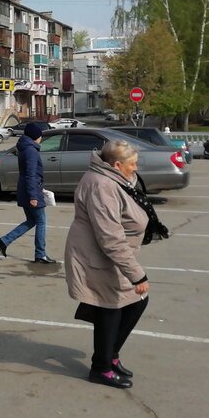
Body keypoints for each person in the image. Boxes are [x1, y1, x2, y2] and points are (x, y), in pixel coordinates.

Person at [64, 140, 150, 389]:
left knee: (129, 304)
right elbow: (110, 237)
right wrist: (137, 275)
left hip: (106, 256)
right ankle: (101, 368)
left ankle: (110, 356)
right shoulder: (102, 185)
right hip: (96, 256)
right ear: (117, 165)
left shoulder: (112, 178)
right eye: (132, 164)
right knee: (112, 308)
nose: (136, 168)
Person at [0, 122, 56, 264]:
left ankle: (4, 241)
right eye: (40, 136)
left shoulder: (25, 147)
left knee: (32, 220)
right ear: (35, 137)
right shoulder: (31, 151)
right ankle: (40, 254)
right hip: (31, 191)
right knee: (41, 221)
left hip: (26, 189)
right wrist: (33, 196)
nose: (41, 139)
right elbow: (31, 175)